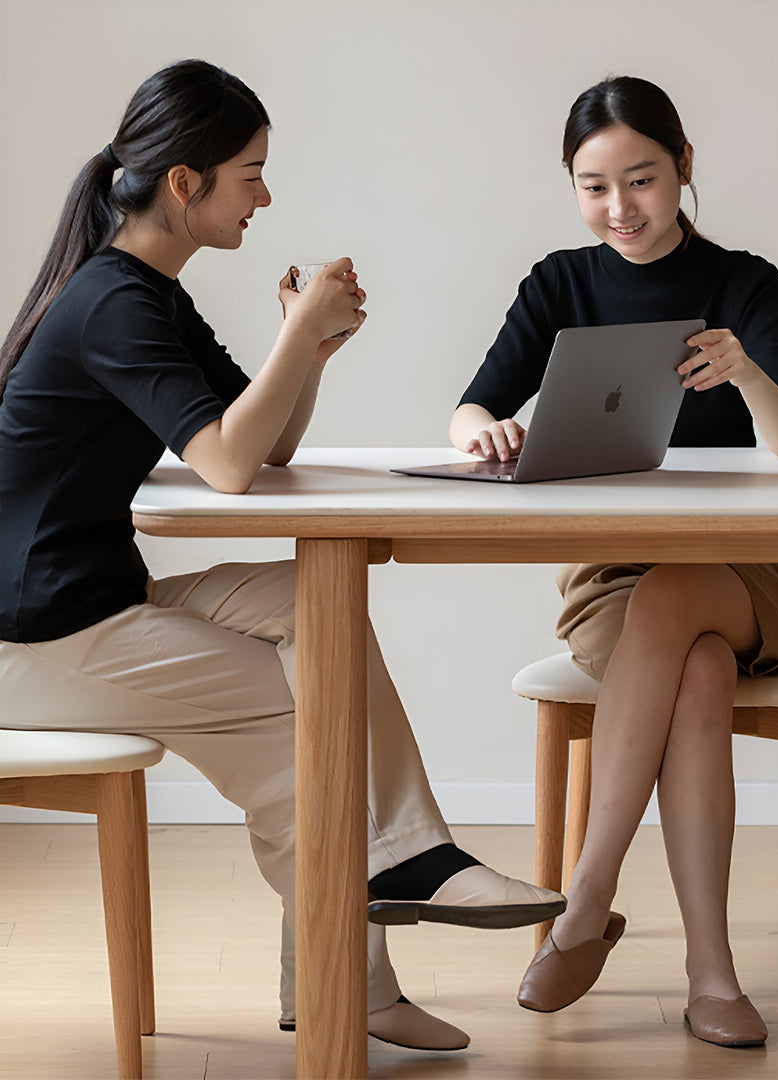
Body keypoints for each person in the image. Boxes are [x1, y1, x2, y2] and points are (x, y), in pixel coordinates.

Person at [0, 59, 564, 1052]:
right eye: (250, 174)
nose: (265, 196)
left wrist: (310, 350)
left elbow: (268, 448)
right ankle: (362, 967)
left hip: (86, 608)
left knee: (318, 605)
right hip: (35, 644)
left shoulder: (148, 294)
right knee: (306, 725)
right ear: (186, 183)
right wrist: (294, 337)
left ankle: (399, 877)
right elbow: (224, 465)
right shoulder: (115, 302)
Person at [450, 75, 778, 1048]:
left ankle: (584, 903)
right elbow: (471, 405)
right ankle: (711, 974)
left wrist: (747, 371)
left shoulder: (748, 282)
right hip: (613, 582)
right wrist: (486, 431)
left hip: (753, 574)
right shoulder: (559, 283)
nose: (621, 208)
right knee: (692, 666)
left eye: (643, 179)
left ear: (685, 168)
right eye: (595, 186)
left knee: (683, 607)